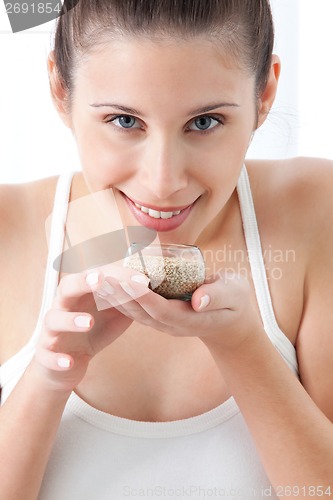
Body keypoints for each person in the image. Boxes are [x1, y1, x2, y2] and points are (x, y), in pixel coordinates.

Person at [0, 0, 333, 498]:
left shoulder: (316, 212)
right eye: (124, 121)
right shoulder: (9, 229)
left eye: (204, 122)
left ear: (264, 94)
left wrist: (242, 347)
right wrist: (48, 376)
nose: (163, 182)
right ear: (60, 88)